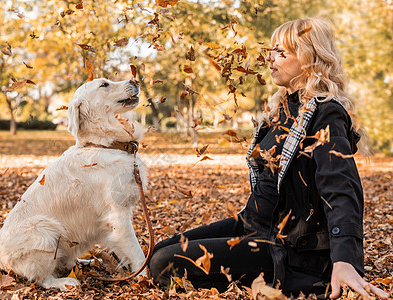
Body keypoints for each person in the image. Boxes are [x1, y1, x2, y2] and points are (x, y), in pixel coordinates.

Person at [149, 18, 389, 299]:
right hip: (253, 227)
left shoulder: (326, 113)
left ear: (309, 59)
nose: (270, 58)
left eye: (282, 52)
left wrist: (345, 259)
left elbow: (341, 190)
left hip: (292, 252)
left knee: (163, 264)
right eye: (272, 50)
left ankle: (292, 283)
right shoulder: (281, 110)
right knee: (159, 251)